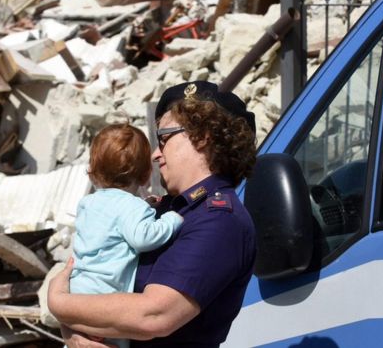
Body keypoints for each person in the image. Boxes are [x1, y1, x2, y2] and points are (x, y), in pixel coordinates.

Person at [48, 80, 257, 348]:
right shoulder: (167, 208)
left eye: (163, 139)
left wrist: (59, 302)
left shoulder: (219, 221)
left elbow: (153, 315)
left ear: (202, 136)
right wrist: (74, 334)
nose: (156, 154)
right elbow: (94, 279)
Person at [67, 123, 184, 348]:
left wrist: (142, 207)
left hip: (80, 290)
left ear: (93, 171)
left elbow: (111, 225)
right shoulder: (132, 207)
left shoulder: (87, 203)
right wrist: (171, 220)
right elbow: (144, 238)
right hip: (107, 294)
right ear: (146, 175)